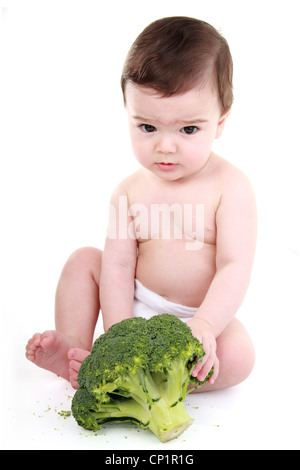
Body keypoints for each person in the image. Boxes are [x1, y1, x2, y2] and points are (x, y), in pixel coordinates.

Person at [26, 16, 257, 391]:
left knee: (240, 354)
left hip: (195, 319)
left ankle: (159, 379)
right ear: (128, 114)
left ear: (220, 123)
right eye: (147, 127)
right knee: (85, 261)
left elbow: (234, 266)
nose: (165, 146)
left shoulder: (231, 187)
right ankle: (79, 348)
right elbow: (117, 265)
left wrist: (206, 326)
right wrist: (120, 336)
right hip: (134, 304)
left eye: (188, 129)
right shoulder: (128, 192)